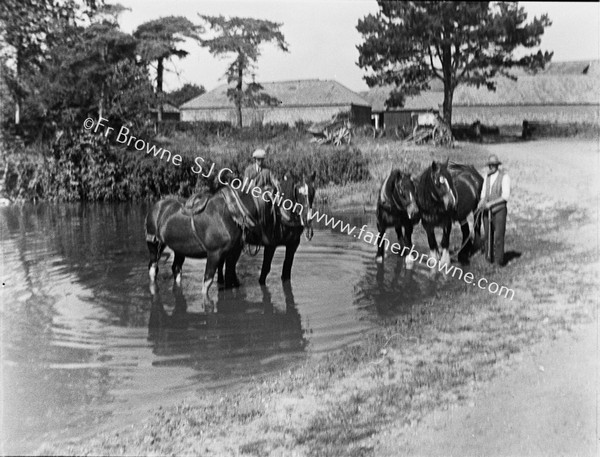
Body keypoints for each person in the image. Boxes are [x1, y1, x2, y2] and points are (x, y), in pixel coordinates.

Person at [478, 154, 510, 266]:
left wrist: (491, 204)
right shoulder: (486, 177)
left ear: (497, 165)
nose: (491, 167)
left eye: (493, 165)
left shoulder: (504, 177)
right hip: (487, 211)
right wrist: (481, 203)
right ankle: (488, 258)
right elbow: (483, 194)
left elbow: (505, 196)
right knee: (487, 235)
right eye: (490, 165)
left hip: (499, 210)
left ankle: (499, 261)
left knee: (498, 236)